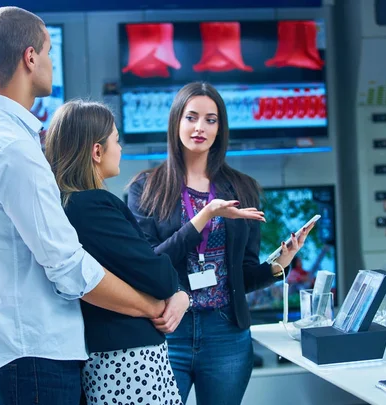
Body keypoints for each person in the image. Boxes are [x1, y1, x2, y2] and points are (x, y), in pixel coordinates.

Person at [0, 7, 164, 405]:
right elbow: (68, 267)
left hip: (22, 350)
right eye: (49, 52)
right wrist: (149, 306)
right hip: (32, 352)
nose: (51, 62)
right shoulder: (11, 148)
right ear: (30, 57)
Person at [128, 81, 313, 405]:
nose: (200, 127)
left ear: (220, 128)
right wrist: (203, 217)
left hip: (227, 334)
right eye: (192, 117)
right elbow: (147, 265)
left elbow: (242, 276)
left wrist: (281, 262)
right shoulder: (146, 188)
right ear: (176, 122)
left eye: (211, 119)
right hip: (167, 330)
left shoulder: (242, 188)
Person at [45, 100, 186, 405]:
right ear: (97, 151)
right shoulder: (93, 206)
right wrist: (172, 287)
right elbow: (161, 278)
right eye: (116, 140)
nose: (120, 148)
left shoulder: (67, 206)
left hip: (115, 360)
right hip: (129, 363)